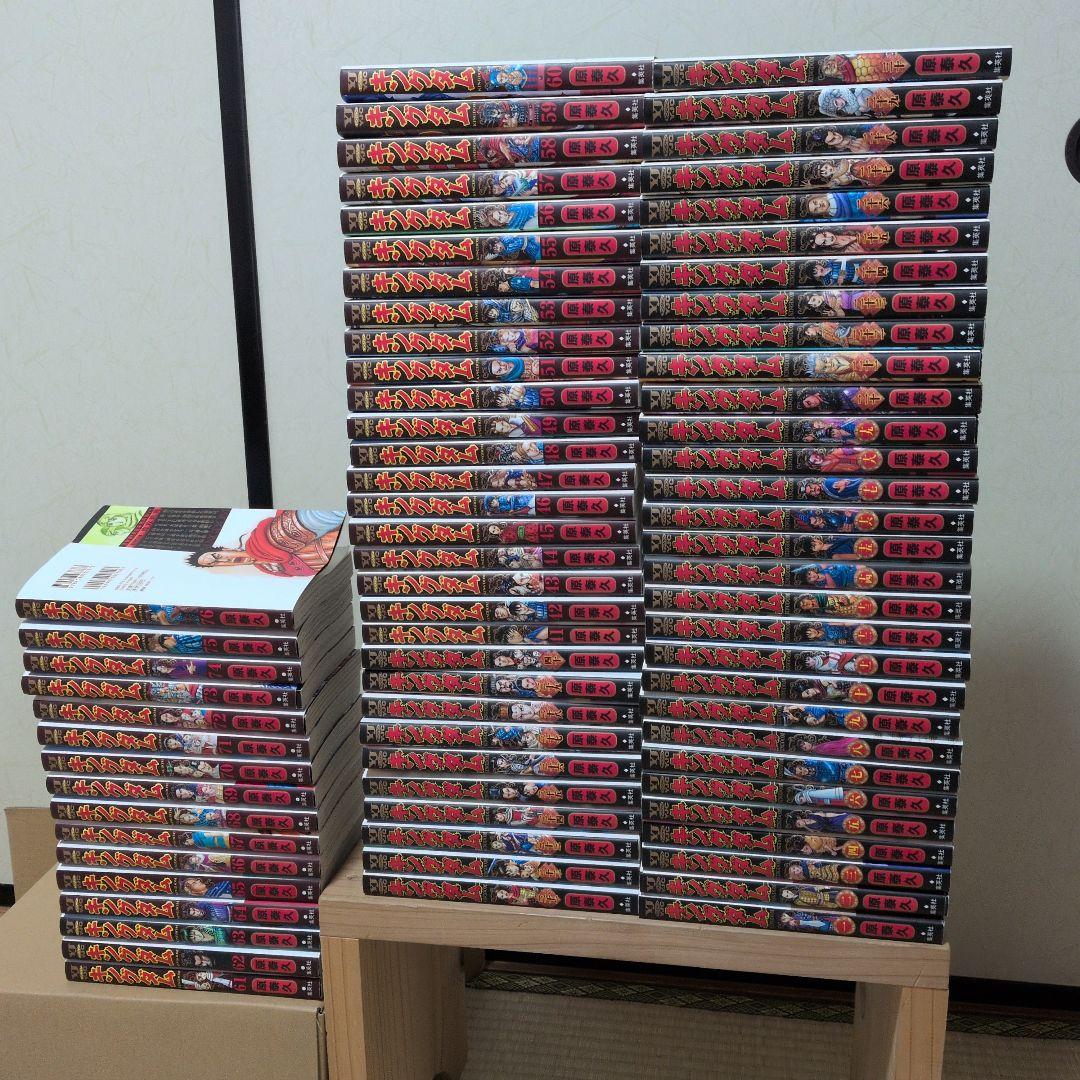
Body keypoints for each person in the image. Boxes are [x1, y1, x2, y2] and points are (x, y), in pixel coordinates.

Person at [186, 509, 341, 576]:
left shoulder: (261, 538)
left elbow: (320, 517)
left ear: (225, 549)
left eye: (217, 556)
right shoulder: (269, 569)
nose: (224, 560)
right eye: (215, 563)